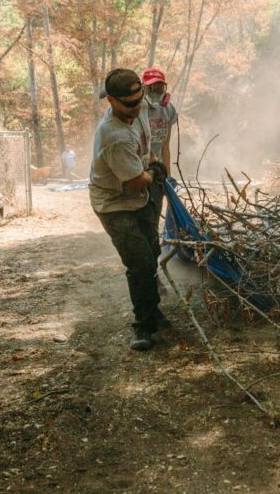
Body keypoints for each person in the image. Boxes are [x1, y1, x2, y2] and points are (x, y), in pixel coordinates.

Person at [89, 68, 169, 351]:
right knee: (140, 263)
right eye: (130, 104)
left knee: (153, 252)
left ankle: (153, 311)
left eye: (140, 100)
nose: (137, 108)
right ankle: (143, 326)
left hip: (140, 194)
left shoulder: (141, 105)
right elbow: (136, 182)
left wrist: (154, 163)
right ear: (111, 101)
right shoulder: (114, 136)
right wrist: (154, 172)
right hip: (114, 203)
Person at [141, 68, 178, 179]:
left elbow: (165, 147)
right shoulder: (136, 110)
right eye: (151, 88)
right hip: (138, 168)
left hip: (158, 169)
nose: (155, 93)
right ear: (143, 89)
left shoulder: (169, 109)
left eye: (159, 88)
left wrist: (168, 176)